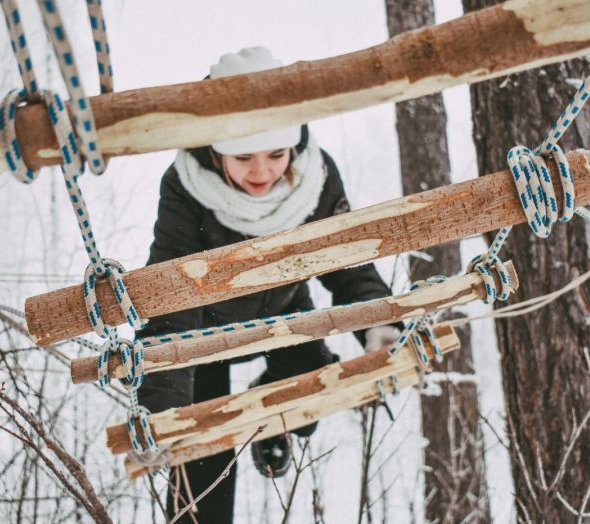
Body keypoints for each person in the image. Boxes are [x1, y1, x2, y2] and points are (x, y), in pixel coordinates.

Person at [138, 47, 400, 523]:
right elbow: (172, 302)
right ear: (216, 151)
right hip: (203, 333)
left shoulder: (316, 178)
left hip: (282, 309)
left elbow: (345, 264)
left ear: (294, 145)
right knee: (203, 474)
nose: (262, 172)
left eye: (276, 154)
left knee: (308, 395)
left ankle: (269, 426)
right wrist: (165, 413)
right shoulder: (184, 187)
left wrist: (379, 326)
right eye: (243, 157)